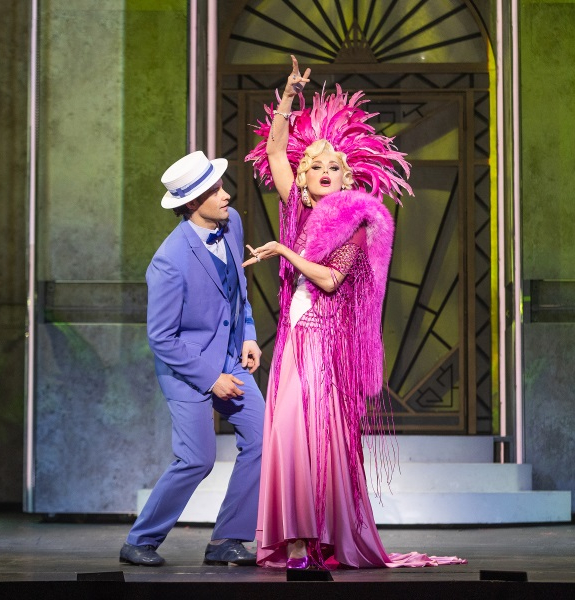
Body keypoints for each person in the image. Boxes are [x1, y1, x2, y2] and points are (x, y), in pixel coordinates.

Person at [243, 56, 466, 569]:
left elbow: (329, 279)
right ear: (303, 177)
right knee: (289, 437)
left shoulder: (357, 223)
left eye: (333, 168)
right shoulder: (297, 208)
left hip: (326, 344)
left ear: (346, 179)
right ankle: (296, 541)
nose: (324, 173)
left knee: (318, 440)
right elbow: (275, 150)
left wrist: (284, 250)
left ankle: (318, 538)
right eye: (315, 166)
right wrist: (288, 97)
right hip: (295, 337)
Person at [119, 150, 265, 567]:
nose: (226, 195)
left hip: (229, 357)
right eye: (215, 191)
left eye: (220, 186)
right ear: (191, 203)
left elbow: (238, 291)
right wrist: (211, 378)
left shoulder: (231, 225)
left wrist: (249, 335)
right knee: (197, 459)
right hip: (186, 368)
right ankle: (140, 540)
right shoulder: (168, 261)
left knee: (263, 438)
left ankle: (227, 540)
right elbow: (162, 338)